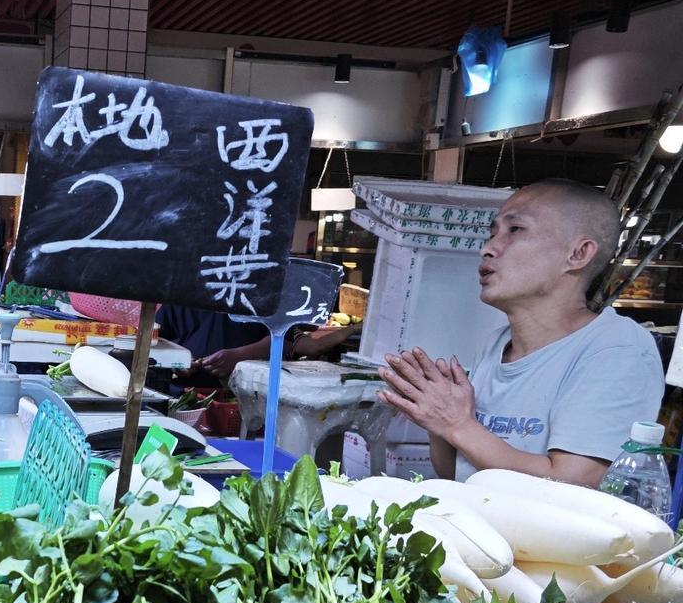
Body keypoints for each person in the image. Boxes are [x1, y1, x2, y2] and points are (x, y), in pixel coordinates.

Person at [379, 179, 665, 486]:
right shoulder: (497, 344)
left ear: (578, 253)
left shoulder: (616, 348)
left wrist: (457, 424)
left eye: (515, 230)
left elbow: (572, 483)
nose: (487, 249)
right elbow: (456, 472)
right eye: (492, 234)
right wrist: (437, 422)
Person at [158, 303, 355, 379]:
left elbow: (284, 338)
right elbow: (158, 341)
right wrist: (177, 360)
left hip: (245, 395)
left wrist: (239, 357)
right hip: (185, 397)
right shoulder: (183, 292)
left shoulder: (260, 289)